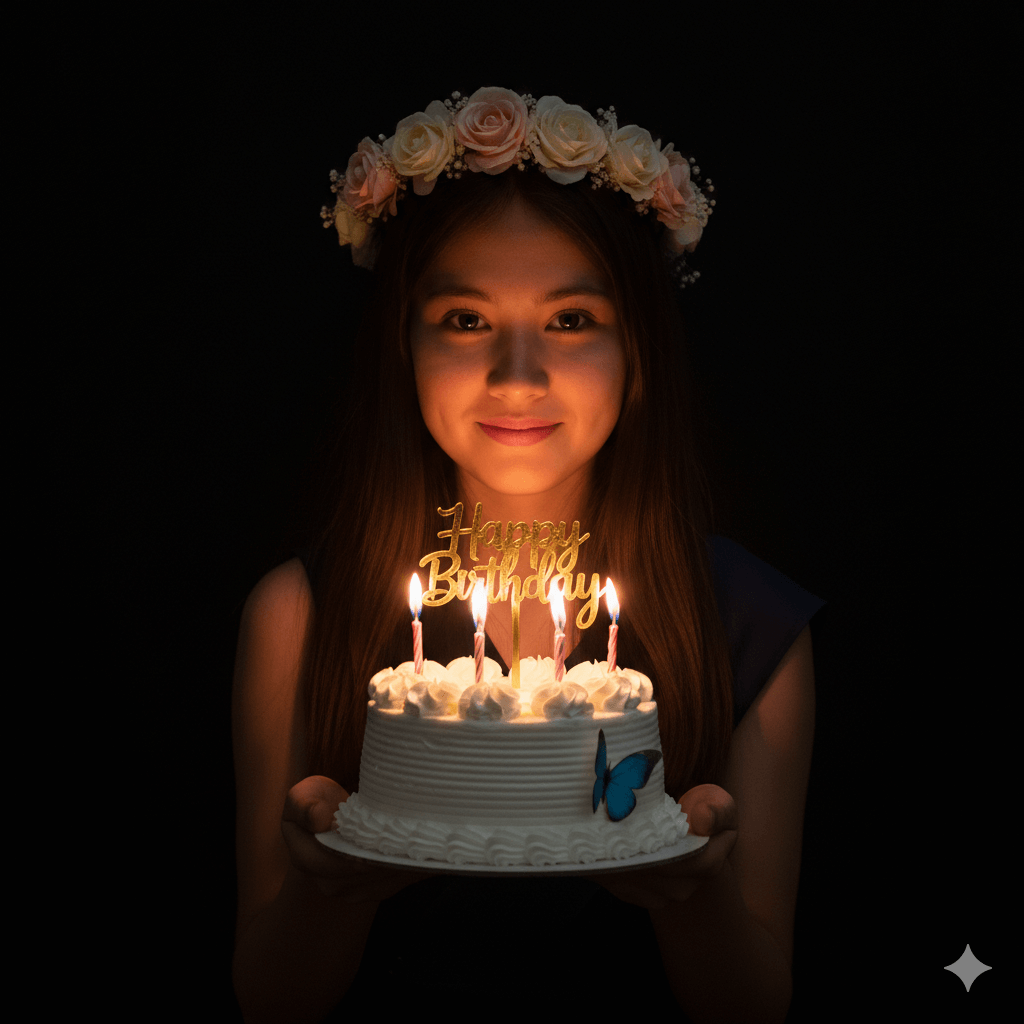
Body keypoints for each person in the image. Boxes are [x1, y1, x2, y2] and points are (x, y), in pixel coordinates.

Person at [232, 87, 822, 1023]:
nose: (516, 375)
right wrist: (329, 887)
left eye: (571, 319)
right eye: (466, 319)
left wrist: (694, 892)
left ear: (639, 356)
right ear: (405, 345)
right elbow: (269, 999)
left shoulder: (749, 627)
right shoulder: (299, 614)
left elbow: (753, 1005)